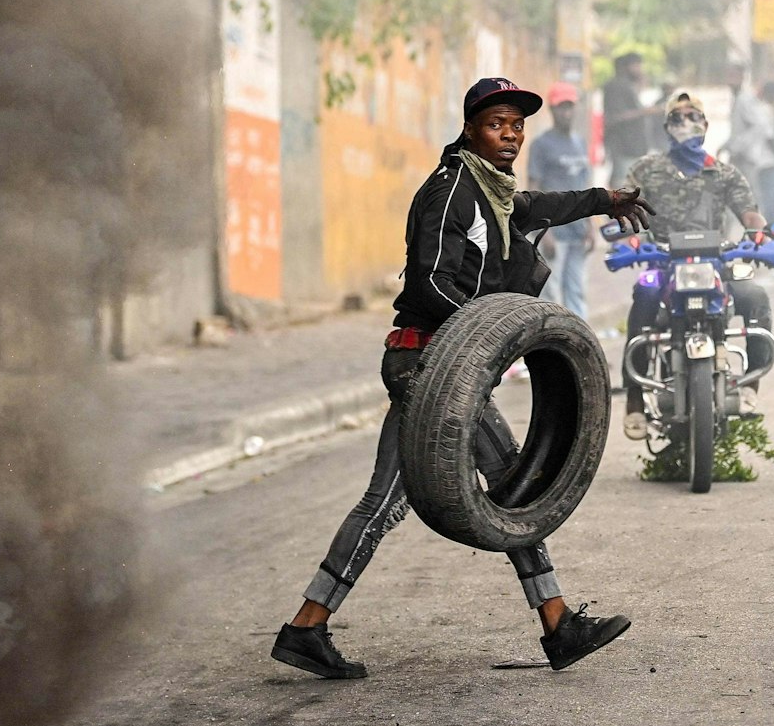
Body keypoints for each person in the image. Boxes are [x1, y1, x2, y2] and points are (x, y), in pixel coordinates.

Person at [273, 77, 655, 679]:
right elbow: (427, 283)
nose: (511, 135)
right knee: (511, 481)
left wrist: (605, 197)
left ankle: (308, 625)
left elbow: (541, 206)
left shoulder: (493, 196)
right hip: (427, 363)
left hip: (442, 366)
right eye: (498, 124)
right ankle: (556, 624)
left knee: (408, 497)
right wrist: (481, 343)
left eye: (517, 125)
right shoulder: (452, 191)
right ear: (471, 129)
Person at [620, 93, 771, 440]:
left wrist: (758, 233)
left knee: (756, 297)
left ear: (705, 125)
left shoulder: (724, 173)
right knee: (643, 299)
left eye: (693, 117)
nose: (685, 123)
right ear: (666, 128)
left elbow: (749, 213)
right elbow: (626, 207)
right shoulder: (646, 170)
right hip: (663, 262)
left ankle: (750, 389)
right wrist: (626, 235)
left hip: (716, 264)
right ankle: (634, 402)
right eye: (677, 118)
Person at [528, 82, 593, 319]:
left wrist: (590, 226)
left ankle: (580, 348)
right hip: (554, 231)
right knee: (550, 294)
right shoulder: (541, 145)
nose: (566, 113)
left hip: (577, 231)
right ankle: (551, 348)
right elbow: (534, 189)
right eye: (561, 108)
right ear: (552, 111)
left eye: (569, 107)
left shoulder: (579, 143)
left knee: (577, 292)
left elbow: (586, 186)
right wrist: (545, 231)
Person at [727, 77, 774, 221]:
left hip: (756, 159)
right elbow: (770, 137)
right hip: (762, 161)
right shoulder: (761, 109)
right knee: (764, 200)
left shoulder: (759, 108)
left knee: (758, 199)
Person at [600, 52, 659, 188]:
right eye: (637, 65)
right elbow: (617, 116)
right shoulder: (617, 85)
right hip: (624, 146)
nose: (640, 69)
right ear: (627, 66)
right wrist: (645, 112)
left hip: (631, 147)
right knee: (622, 185)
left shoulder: (627, 85)